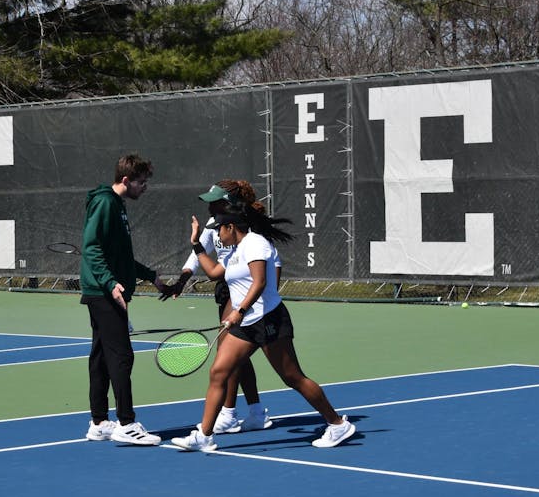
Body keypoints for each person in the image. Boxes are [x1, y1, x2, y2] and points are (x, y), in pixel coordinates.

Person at [171, 204, 356, 451]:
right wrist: (196, 244)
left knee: (293, 377)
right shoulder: (234, 251)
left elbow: (260, 282)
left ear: (231, 227)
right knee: (219, 372)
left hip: (269, 319)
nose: (217, 235)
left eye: (219, 230)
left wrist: (240, 310)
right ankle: (204, 436)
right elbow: (215, 272)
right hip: (246, 325)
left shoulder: (256, 244)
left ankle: (337, 424)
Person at [161, 180, 274, 434]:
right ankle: (254, 412)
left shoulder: (249, 229)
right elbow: (198, 253)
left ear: (230, 204)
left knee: (230, 355)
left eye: (215, 202)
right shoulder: (215, 226)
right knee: (238, 357)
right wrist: (182, 280)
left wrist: (250, 301)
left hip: (246, 290)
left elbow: (266, 265)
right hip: (226, 286)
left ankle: (228, 413)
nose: (210, 207)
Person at [80, 153, 172, 445]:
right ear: (125, 180)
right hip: (104, 293)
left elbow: (120, 255)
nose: (144, 187)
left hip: (103, 290)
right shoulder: (106, 203)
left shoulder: (116, 204)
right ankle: (127, 423)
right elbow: (92, 247)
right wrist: (110, 283)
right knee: (121, 356)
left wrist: (151, 276)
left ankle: (99, 422)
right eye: (141, 182)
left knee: (101, 358)